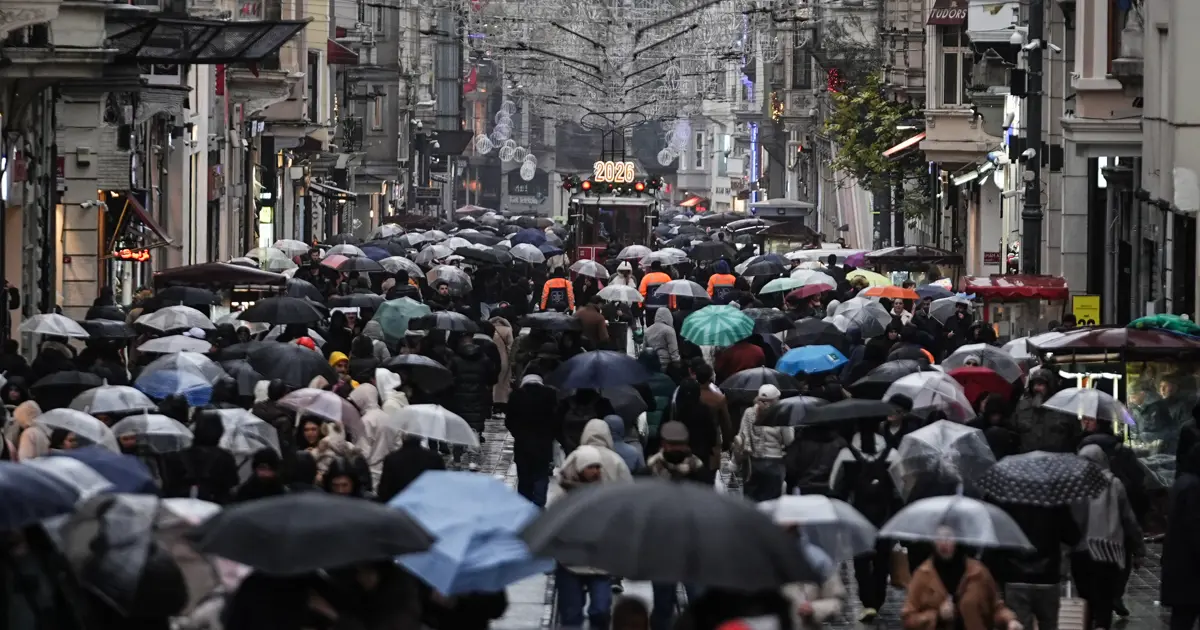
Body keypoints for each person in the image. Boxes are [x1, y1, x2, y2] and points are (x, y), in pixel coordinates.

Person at [829, 417, 899, 622]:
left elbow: (834, 484)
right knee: (882, 560)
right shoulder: (892, 454)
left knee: (861, 561)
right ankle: (879, 598)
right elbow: (902, 484)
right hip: (885, 516)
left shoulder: (846, 454)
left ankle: (867, 602)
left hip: (856, 516)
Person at [1070, 444, 1144, 630]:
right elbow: (1128, 519)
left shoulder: (1074, 484)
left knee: (1085, 598)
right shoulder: (1114, 484)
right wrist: (1138, 548)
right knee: (1105, 596)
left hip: (1080, 551)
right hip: (1108, 550)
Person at [902, 526, 1021, 630]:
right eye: (938, 538)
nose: (943, 543)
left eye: (948, 537)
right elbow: (908, 619)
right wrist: (937, 616)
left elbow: (996, 608)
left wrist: (1010, 621)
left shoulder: (978, 573)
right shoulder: (923, 574)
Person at [552, 445, 618, 629]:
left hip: (599, 563)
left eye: (598, 467)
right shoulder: (563, 496)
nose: (596, 471)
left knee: (601, 610)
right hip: (570, 563)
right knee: (571, 615)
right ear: (580, 468)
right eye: (591, 467)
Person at [506, 372, 560, 507]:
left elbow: (509, 421)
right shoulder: (550, 395)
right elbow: (556, 420)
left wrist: (517, 433)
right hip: (543, 444)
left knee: (524, 476)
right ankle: (539, 502)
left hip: (522, 444)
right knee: (541, 473)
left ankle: (524, 503)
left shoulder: (516, 396)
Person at [733, 385, 793, 502]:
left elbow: (742, 436)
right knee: (771, 501)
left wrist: (734, 462)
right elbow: (789, 440)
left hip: (753, 462)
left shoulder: (749, 412)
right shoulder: (782, 414)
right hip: (774, 462)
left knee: (751, 500)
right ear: (776, 399)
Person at [1162, 444, 1200, 630]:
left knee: (1181, 618)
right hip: (1191, 568)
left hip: (1179, 564)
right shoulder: (1194, 487)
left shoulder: (1183, 482)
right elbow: (1195, 527)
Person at [375, 435, 446, 503]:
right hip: (426, 501)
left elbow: (384, 490)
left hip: (398, 503)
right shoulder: (434, 458)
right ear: (420, 438)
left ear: (403, 438)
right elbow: (442, 484)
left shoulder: (392, 458)